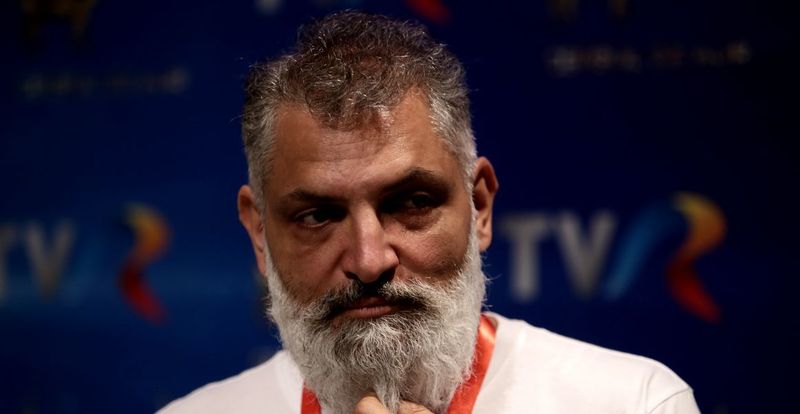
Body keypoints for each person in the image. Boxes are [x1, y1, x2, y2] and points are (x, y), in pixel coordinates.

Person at [159, 11, 700, 414]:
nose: (369, 261)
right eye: (318, 216)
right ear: (259, 234)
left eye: (412, 203)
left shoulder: (633, 403)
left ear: (479, 206)